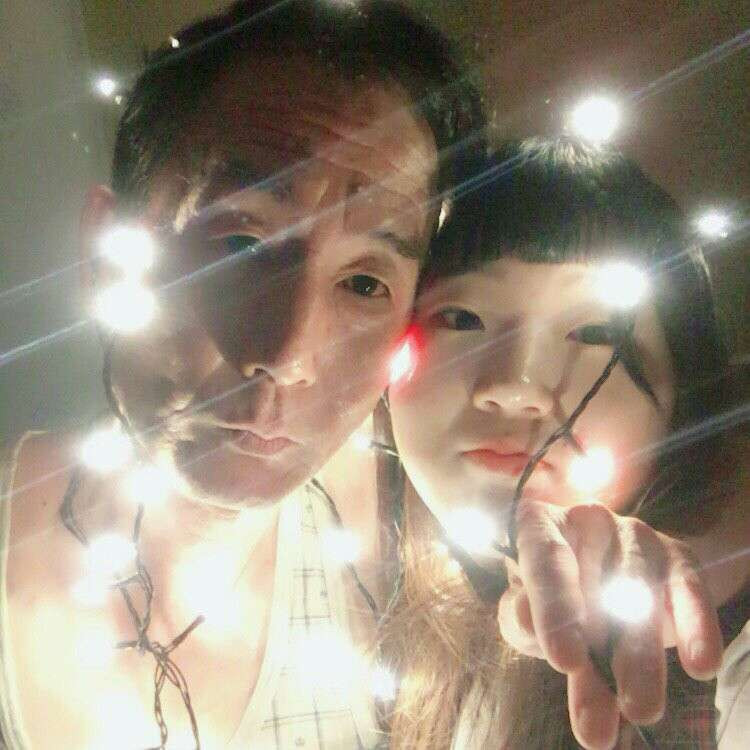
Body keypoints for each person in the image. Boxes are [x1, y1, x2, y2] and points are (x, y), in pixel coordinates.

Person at [0, 2, 485, 748]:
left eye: (364, 283)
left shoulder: (433, 540)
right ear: (107, 250)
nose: (288, 356)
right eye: (238, 245)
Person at [382, 138, 750, 749]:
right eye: (462, 318)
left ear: (684, 384)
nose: (515, 387)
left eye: (596, 331)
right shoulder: (373, 582)